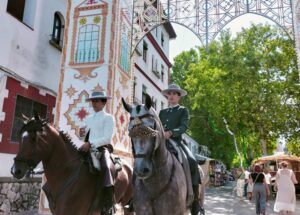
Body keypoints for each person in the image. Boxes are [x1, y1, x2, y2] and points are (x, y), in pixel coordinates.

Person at [159, 84, 201, 215]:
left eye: (174, 93)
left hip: (176, 142)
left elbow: (184, 127)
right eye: (169, 93)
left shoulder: (183, 110)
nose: (171, 96)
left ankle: (195, 201)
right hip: (160, 143)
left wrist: (171, 132)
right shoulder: (162, 112)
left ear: (179, 96)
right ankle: (134, 196)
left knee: (192, 161)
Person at [79, 91, 115, 215]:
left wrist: (91, 144)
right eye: (93, 101)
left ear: (103, 102)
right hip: (87, 148)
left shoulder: (109, 118)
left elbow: (107, 139)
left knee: (106, 167)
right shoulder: (88, 119)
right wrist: (81, 134)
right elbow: (84, 138)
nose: (94, 103)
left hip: (102, 148)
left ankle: (108, 203)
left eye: (97, 101)